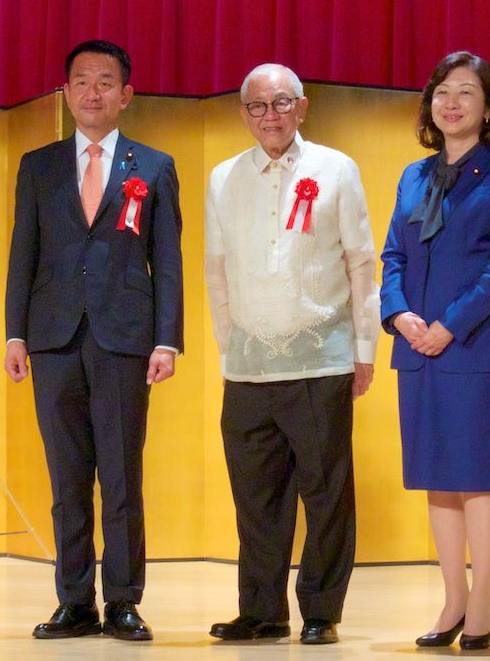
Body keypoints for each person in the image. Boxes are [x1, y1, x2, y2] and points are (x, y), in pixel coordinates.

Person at [4, 40, 183, 642]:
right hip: (53, 340)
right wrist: (16, 332)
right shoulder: (39, 164)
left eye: (106, 82)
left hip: (125, 342)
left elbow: (168, 261)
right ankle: (74, 600)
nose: (93, 92)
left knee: (122, 477)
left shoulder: (153, 166)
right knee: (67, 480)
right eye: (81, 81)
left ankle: (124, 602)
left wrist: (168, 341)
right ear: (65, 92)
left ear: (126, 95)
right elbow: (22, 256)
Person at [204, 63, 379, 645]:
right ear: (243, 113)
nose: (269, 115)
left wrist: (363, 346)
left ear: (302, 107)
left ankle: (320, 612)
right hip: (248, 367)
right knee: (256, 498)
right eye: (257, 106)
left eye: (281, 103)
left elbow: (360, 261)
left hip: (321, 360)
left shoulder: (336, 168)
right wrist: (232, 344)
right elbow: (217, 269)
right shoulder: (223, 177)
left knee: (326, 494)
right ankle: (261, 610)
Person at [379, 51, 490, 651]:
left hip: (472, 346)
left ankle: (484, 604)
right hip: (417, 348)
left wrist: (450, 323)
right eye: (443, 91)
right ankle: (452, 600)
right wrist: (399, 314)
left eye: (466, 92)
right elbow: (392, 254)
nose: (452, 102)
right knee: (437, 479)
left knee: (475, 478)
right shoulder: (413, 176)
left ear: (489, 108)